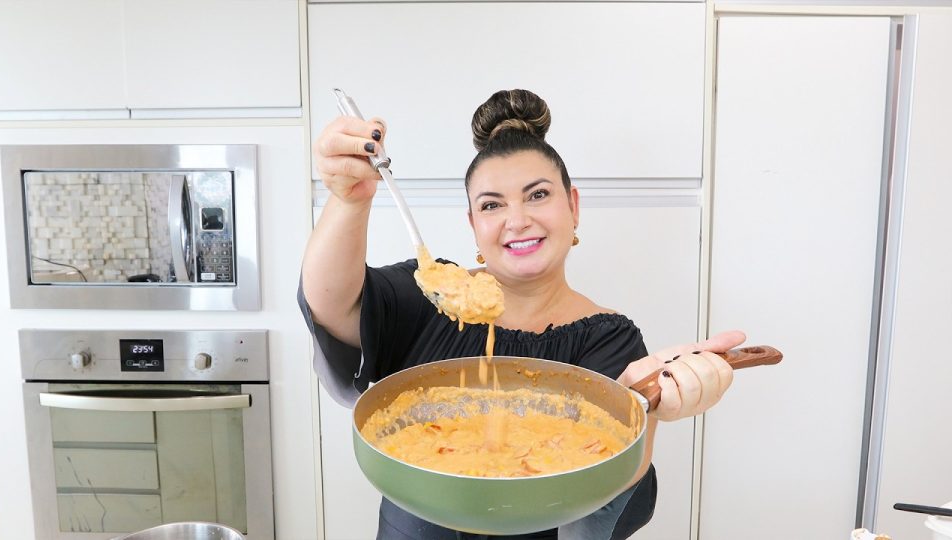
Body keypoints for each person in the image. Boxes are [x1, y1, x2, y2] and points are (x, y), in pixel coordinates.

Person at [299, 89, 744, 540]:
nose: (517, 220)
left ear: (573, 207)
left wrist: (639, 406)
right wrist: (349, 200)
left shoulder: (609, 338)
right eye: (492, 205)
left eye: (538, 195)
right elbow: (333, 304)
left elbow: (601, 501)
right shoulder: (429, 296)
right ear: (474, 224)